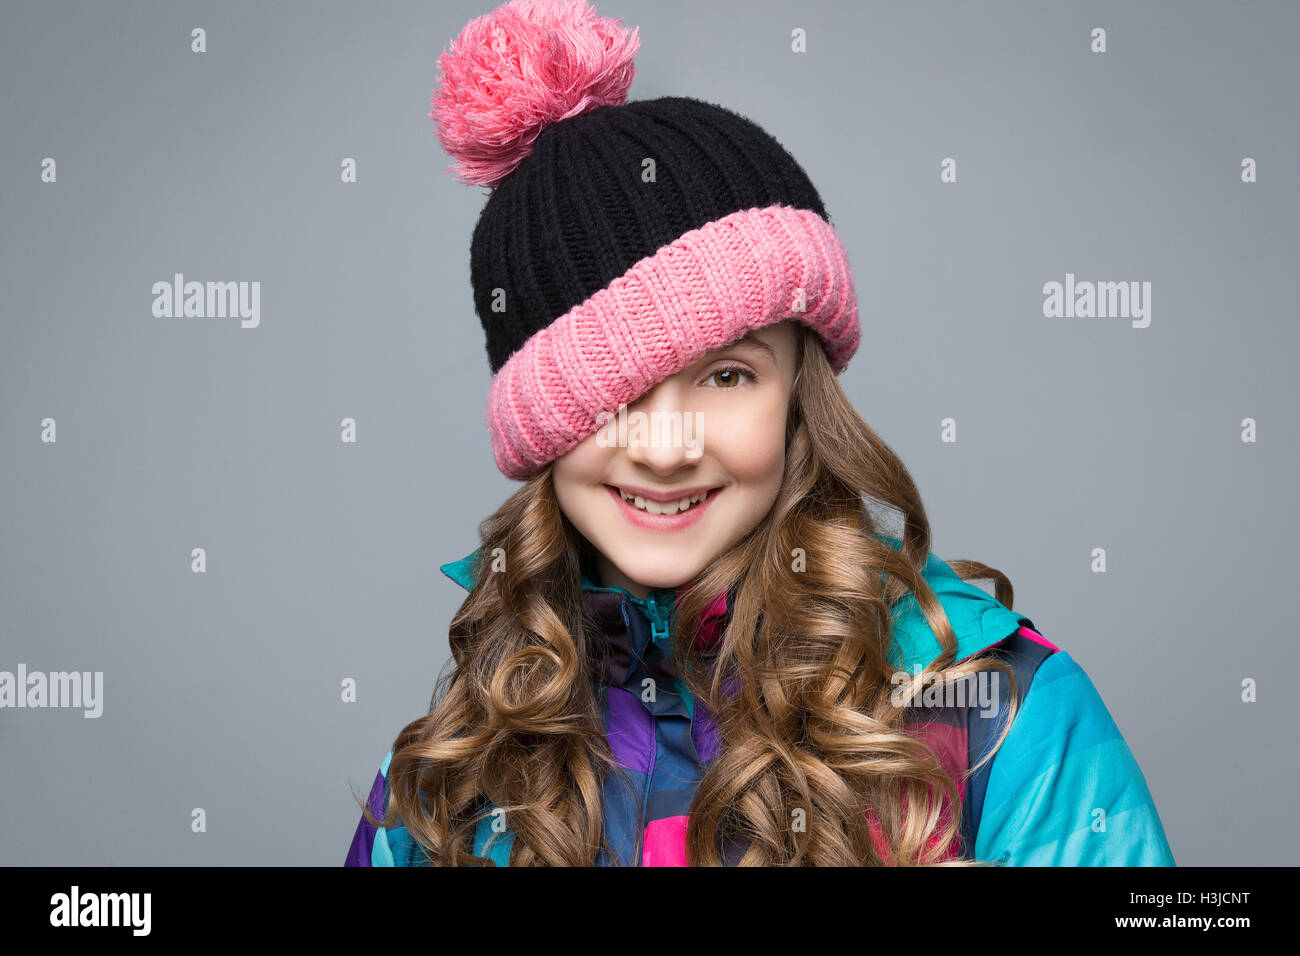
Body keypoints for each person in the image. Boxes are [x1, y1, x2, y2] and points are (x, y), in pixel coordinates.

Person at [345, 0, 1175, 866]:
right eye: (610, 391)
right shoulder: (447, 778)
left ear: (797, 397)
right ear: (542, 428)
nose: (665, 448)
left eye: (728, 375)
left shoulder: (996, 718)